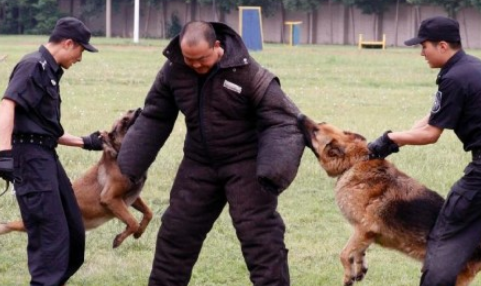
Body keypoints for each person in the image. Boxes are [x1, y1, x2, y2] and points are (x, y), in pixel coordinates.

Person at [117, 21, 305, 285]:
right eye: (188, 59)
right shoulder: (174, 71)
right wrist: (129, 164)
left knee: (259, 237)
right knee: (176, 232)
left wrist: (274, 171)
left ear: (217, 46)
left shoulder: (247, 73)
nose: (195, 66)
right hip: (199, 163)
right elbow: (155, 116)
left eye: (202, 59)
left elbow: (283, 119)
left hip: (246, 165)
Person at [368, 16, 481, 286]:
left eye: (424, 46)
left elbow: (431, 134)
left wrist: (389, 139)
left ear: (443, 46)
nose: (421, 52)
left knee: (446, 237)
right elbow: (434, 118)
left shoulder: (454, 78)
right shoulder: (472, 68)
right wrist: (400, 135)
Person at [0, 16, 104, 286]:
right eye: (82, 50)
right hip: (29, 160)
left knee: (72, 235)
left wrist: (86, 142)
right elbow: (7, 105)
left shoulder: (50, 72)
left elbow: (44, 130)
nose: (81, 57)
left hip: (45, 156)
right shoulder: (33, 65)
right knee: (51, 240)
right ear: (69, 43)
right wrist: (3, 154)